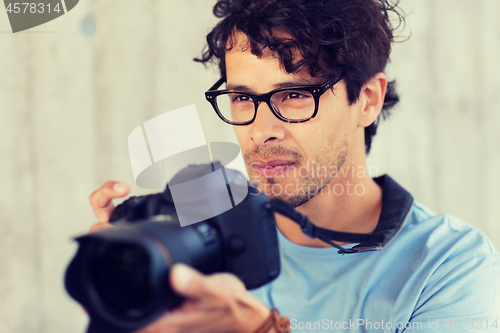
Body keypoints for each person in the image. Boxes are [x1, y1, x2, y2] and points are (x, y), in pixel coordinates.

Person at [89, 0, 500, 332]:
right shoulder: (203, 220)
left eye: (296, 95)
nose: (261, 131)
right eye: (243, 98)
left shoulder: (450, 264)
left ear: (368, 100)